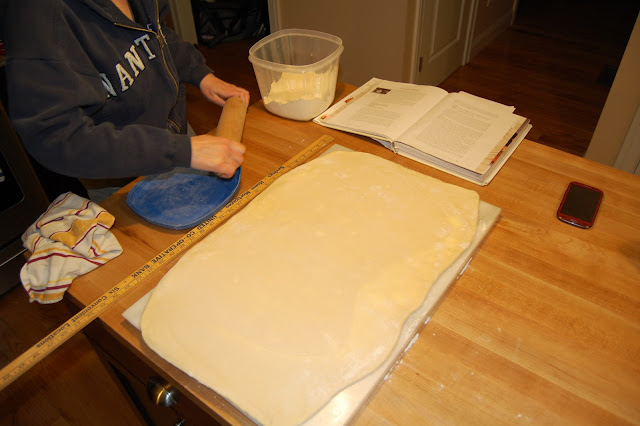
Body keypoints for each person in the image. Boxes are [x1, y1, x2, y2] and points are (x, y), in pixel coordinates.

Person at [2, 0, 249, 200]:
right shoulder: (36, 13)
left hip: (181, 138)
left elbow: (156, 35)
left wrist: (200, 74)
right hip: (120, 175)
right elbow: (57, 136)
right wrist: (180, 150)